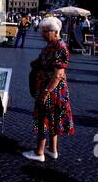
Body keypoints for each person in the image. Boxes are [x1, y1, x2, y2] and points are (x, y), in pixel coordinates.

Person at [23, 17, 74, 162]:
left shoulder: (60, 48)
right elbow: (41, 61)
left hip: (52, 90)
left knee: (43, 120)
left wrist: (45, 93)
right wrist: (35, 63)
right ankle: (52, 150)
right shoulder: (50, 46)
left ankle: (39, 153)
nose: (42, 34)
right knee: (52, 120)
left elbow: (58, 75)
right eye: (42, 31)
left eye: (45, 32)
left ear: (55, 32)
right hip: (50, 88)